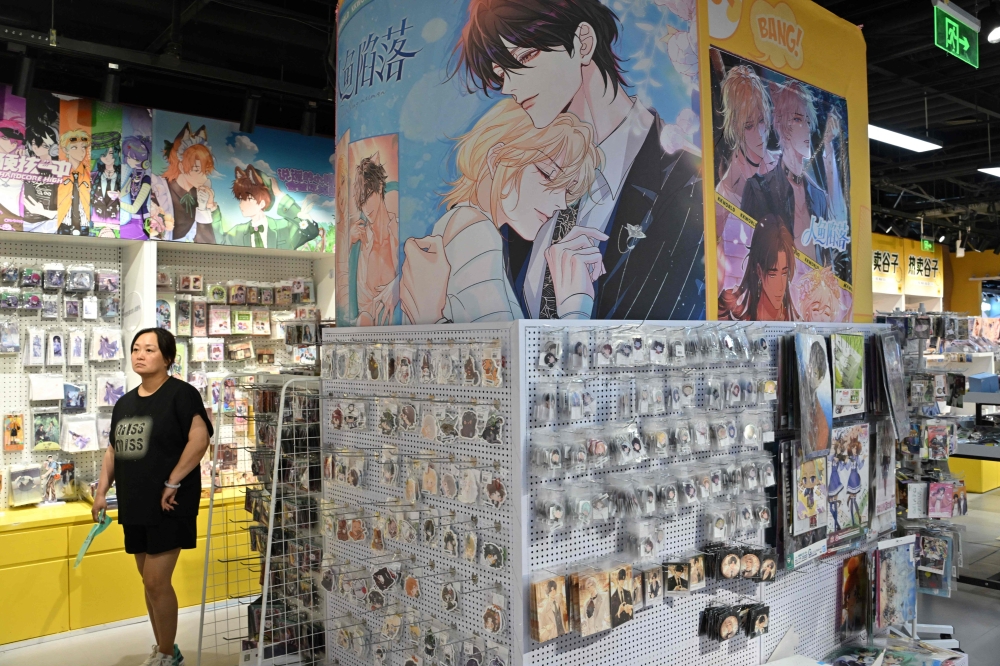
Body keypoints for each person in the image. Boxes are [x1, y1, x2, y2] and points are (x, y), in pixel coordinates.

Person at [447, 0, 704, 320]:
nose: (510, 87)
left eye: (525, 57)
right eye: (502, 74)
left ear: (583, 43)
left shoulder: (688, 185)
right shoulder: (524, 186)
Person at [399, 98, 601, 324]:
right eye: (548, 175)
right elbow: (500, 352)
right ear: (497, 159)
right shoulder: (474, 230)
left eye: (567, 190)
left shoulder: (462, 226)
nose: (562, 203)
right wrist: (575, 310)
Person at [91, 328, 214, 666]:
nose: (140, 354)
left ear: (168, 358)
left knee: (157, 580)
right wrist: (101, 493)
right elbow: (113, 451)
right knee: (148, 583)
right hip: (134, 504)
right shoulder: (124, 403)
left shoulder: (181, 394)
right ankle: (165, 647)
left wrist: (173, 481)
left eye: (149, 349)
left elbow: (199, 440)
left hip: (169, 503)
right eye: (135, 349)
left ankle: (166, 653)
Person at [740, 81, 850, 283]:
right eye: (798, 120)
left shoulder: (818, 198)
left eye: (808, 122)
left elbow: (829, 261)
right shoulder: (759, 190)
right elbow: (746, 263)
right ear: (782, 125)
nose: (806, 129)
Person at [351, 153, 399, 326]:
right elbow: (363, 308)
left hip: (406, 330)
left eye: (369, 196)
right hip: (375, 341)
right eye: (361, 201)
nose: (366, 207)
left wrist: (397, 284)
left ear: (379, 189)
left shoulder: (398, 229)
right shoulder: (363, 242)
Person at [718, 218, 796, 320]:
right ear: (759, 271)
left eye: (784, 273)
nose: (780, 286)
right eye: (772, 274)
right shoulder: (730, 305)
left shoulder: (792, 318)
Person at [225, 164, 319, 249]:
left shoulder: (284, 228)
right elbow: (217, 241)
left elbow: (311, 231)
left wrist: (280, 194)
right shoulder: (237, 232)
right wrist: (212, 208)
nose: (240, 204)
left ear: (262, 203)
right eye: (240, 199)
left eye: (246, 199)